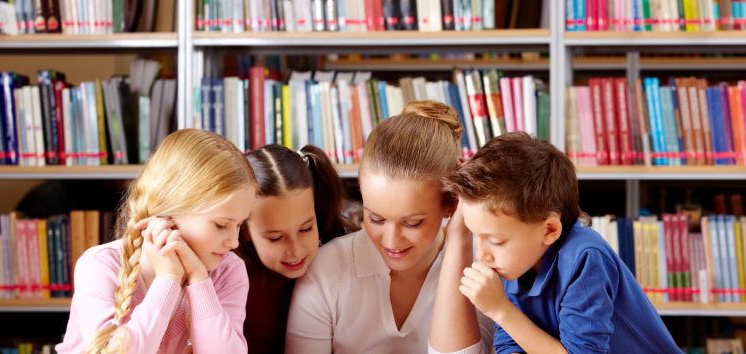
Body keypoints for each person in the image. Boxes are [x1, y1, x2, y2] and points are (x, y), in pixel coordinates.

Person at [443, 132, 681, 354]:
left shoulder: (585, 257)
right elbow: (510, 342)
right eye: (476, 236)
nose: (483, 255)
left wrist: (500, 309)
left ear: (549, 230)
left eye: (495, 240)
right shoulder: (514, 261)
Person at [286, 101, 493, 354]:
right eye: (376, 218)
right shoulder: (328, 270)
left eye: (412, 223)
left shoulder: (482, 266)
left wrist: (460, 235)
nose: (392, 241)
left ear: (451, 203)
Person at [56, 129, 257, 354]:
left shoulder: (229, 270)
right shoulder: (100, 265)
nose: (234, 242)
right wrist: (168, 279)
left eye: (239, 224)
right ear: (168, 213)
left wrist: (199, 280)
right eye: (220, 225)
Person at [239, 144, 356, 354]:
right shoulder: (230, 277)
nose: (295, 250)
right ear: (245, 229)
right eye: (275, 238)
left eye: (305, 229)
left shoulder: (341, 251)